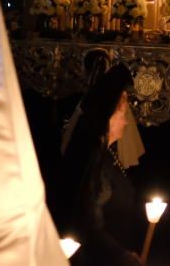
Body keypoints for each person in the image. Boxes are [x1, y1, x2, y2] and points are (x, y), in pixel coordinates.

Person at [53, 64, 142, 266]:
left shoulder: (106, 155)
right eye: (123, 116)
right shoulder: (93, 165)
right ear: (107, 119)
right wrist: (122, 256)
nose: (126, 123)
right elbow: (88, 225)